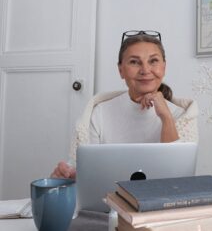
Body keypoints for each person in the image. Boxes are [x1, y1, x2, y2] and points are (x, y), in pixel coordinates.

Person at [51, 31, 198, 179]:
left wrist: (166, 117)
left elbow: (179, 178)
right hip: (108, 197)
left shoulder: (183, 116)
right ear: (121, 70)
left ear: (164, 67)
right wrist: (67, 176)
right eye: (134, 62)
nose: (145, 70)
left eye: (153, 61)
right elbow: (83, 172)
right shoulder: (99, 113)